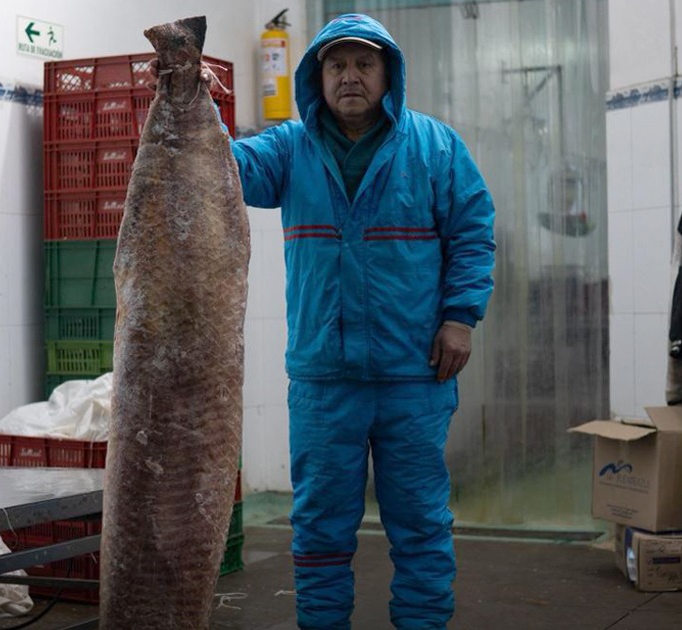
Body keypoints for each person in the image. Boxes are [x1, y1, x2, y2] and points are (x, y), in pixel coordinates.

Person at [166, 12, 495, 629]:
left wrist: (460, 317)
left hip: (414, 376)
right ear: (317, 76)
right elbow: (222, 169)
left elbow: (474, 234)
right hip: (324, 381)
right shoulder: (290, 148)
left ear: (387, 73)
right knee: (318, 533)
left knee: (422, 527)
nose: (350, 77)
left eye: (364, 64)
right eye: (336, 64)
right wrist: (189, 102)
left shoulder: (435, 147)